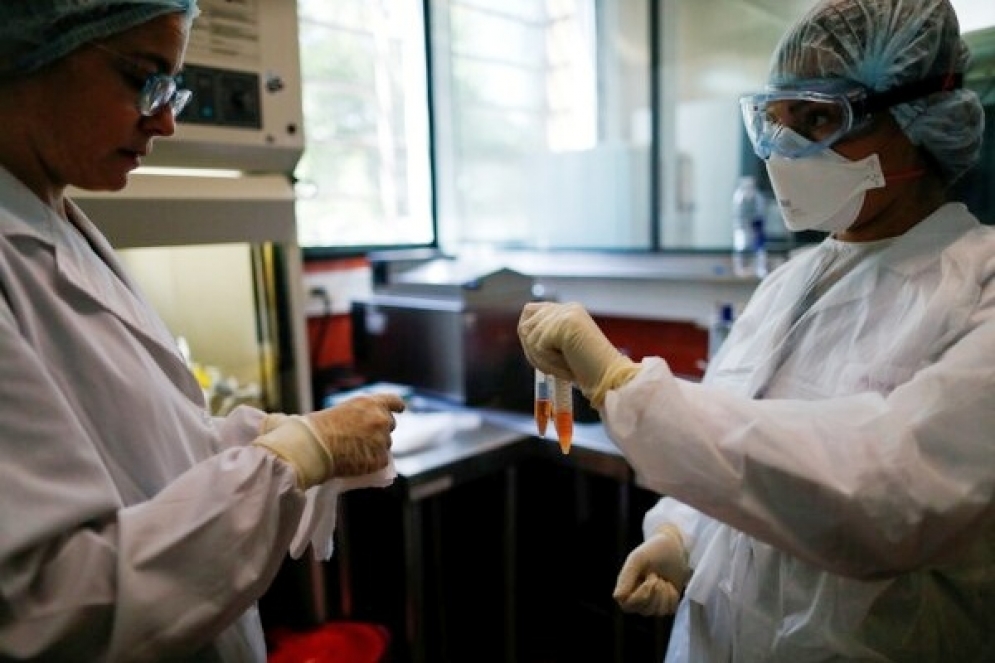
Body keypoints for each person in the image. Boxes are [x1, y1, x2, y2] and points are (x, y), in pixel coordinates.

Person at [518, 0, 994, 660]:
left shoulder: (980, 286)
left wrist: (620, 382)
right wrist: (682, 537)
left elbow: (888, 494)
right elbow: (737, 430)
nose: (786, 151)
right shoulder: (789, 281)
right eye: (776, 121)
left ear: (919, 119)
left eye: (819, 118)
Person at [0, 1, 405, 660]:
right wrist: (293, 457)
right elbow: (49, 606)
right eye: (144, 78)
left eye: (174, 88)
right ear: (31, 45)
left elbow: (151, 450)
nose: (165, 120)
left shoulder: (60, 221)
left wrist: (264, 435)